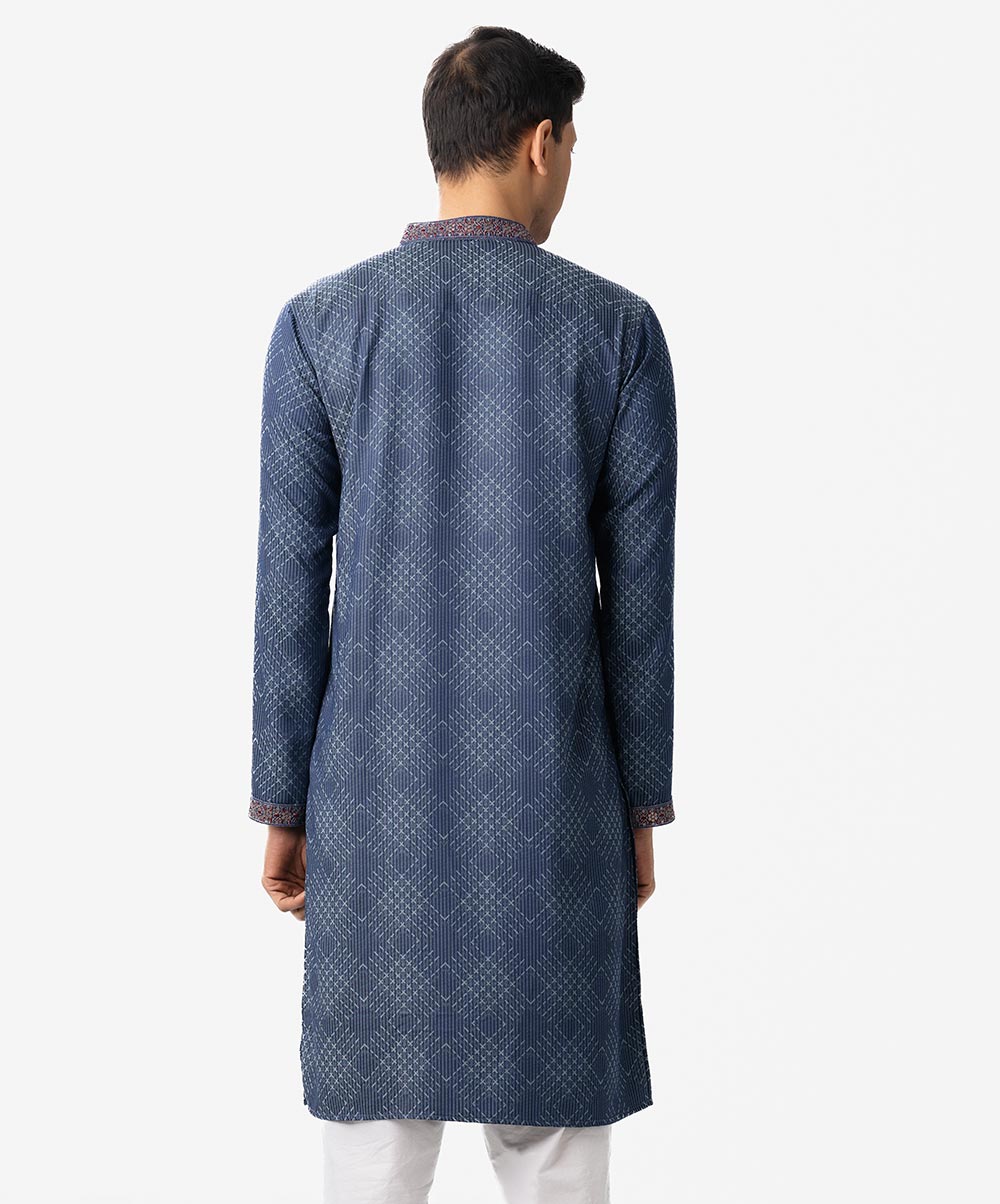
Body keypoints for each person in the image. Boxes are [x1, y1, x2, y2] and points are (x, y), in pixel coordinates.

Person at [250, 25, 678, 1204]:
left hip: (370, 814)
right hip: (553, 808)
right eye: (572, 144)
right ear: (540, 143)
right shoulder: (613, 331)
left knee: (370, 1160)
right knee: (554, 1159)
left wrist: (283, 802)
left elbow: (289, 587)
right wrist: (638, 805)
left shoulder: (320, 324)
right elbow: (639, 606)